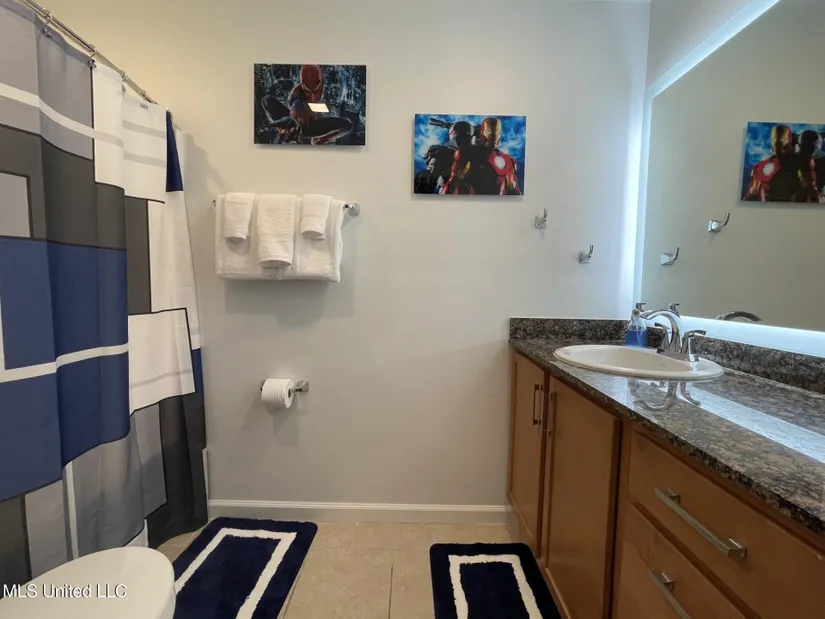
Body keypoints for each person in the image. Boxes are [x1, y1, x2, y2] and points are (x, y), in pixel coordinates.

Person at [260, 65, 353, 145]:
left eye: (315, 89)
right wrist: (293, 122)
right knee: (267, 100)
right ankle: (289, 131)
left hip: (309, 121)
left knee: (347, 124)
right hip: (304, 127)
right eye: (308, 89)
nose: (312, 92)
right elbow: (294, 106)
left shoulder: (321, 81)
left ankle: (318, 140)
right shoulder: (295, 96)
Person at [441, 118, 521, 195]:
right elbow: (453, 183)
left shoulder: (508, 161)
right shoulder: (467, 153)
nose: (493, 136)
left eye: (496, 133)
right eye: (490, 133)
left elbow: (513, 190)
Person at [743, 125, 800, 202]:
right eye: (775, 139)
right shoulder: (761, 166)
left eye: (782, 140)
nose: (778, 142)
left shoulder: (798, 164)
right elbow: (752, 193)